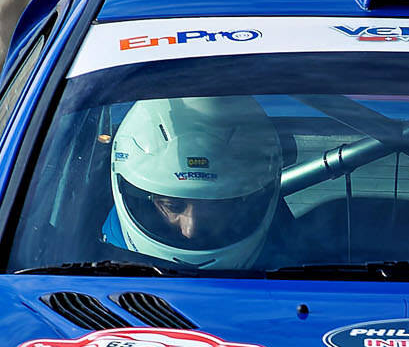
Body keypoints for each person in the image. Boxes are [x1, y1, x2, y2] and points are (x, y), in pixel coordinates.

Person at [107, 96, 287, 269]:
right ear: (140, 200)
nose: (190, 230)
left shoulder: (294, 261)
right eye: (172, 206)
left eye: (215, 205)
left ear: (248, 202)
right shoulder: (96, 254)